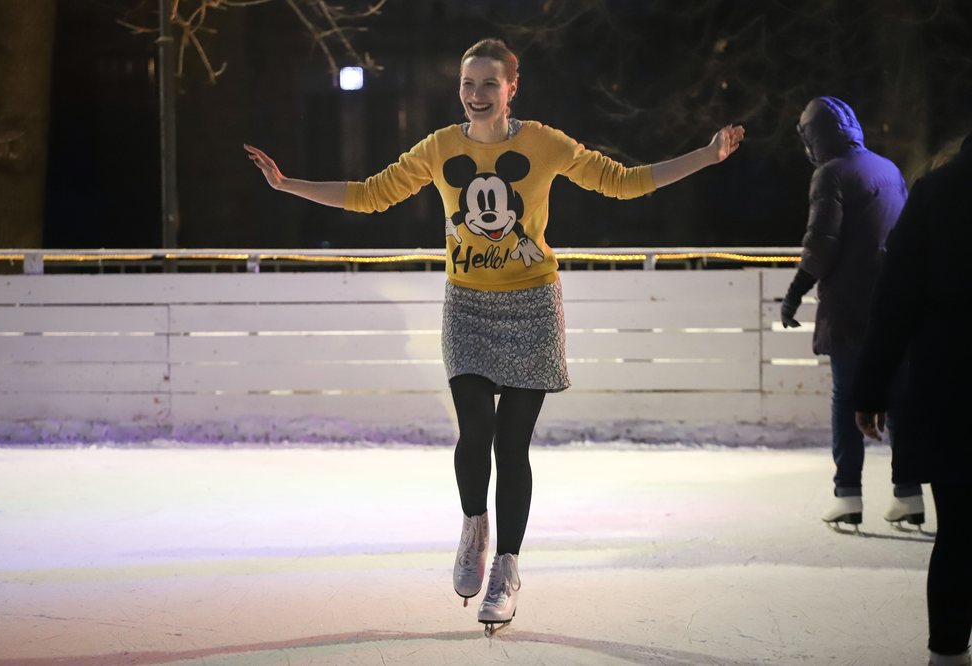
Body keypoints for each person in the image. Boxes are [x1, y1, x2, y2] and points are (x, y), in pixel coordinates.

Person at [246, 38, 744, 632]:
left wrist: (706, 156)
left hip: (532, 305)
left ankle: (507, 568)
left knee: (511, 447)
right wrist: (288, 184)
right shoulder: (440, 148)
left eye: (488, 83)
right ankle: (474, 526)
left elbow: (625, 182)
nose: (476, 94)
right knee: (475, 430)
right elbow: (371, 195)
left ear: (512, 88)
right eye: (467, 83)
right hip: (468, 307)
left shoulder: (544, 144)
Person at [854, 131, 972, 666]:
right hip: (951, 386)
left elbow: (895, 299)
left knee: (960, 531)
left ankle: (947, 654)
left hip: (952, 388)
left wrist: (872, 387)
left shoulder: (937, 192)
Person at [779, 96, 920, 529]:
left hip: (850, 308)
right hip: (895, 303)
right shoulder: (888, 169)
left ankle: (848, 495)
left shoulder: (831, 174)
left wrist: (795, 292)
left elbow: (821, 243)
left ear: (815, 138)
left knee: (846, 399)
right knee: (899, 399)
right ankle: (909, 494)